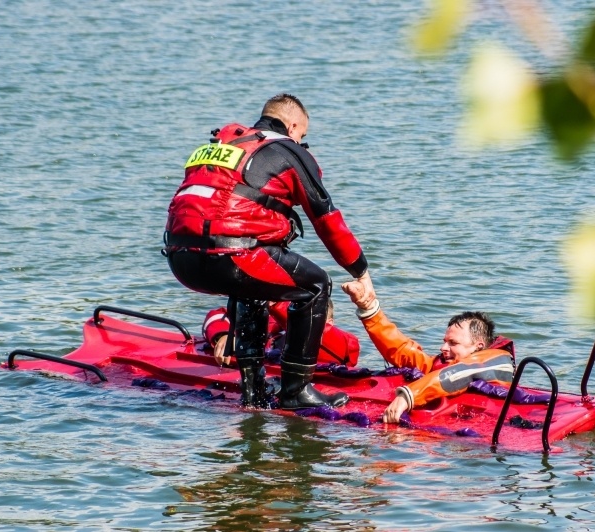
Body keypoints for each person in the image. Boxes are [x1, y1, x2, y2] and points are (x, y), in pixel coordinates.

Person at [164, 93, 376, 409]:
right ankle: (296, 391)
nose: (302, 143)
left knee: (251, 288)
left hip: (180, 259)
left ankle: (253, 391)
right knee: (316, 286)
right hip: (231, 257)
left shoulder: (225, 146)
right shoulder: (286, 150)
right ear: (292, 126)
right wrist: (360, 271)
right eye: (302, 136)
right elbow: (327, 220)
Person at [341, 280, 543, 423]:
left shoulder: (498, 361)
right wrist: (368, 309)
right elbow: (404, 352)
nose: (443, 348)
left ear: (478, 346)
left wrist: (407, 397)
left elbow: (461, 374)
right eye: (444, 341)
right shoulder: (445, 364)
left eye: (452, 343)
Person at [203, 299, 361, 367]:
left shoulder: (342, 342)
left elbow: (309, 329)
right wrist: (224, 336)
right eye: (293, 307)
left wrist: (276, 304)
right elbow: (218, 315)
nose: (294, 311)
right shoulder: (274, 327)